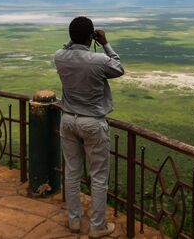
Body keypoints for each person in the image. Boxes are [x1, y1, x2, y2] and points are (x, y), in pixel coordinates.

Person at [54, 16, 124, 238]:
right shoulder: (99, 60)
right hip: (92, 122)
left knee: (72, 173)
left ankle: (74, 222)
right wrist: (104, 42)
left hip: (68, 120)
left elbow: (66, 48)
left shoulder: (59, 57)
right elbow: (119, 67)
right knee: (99, 176)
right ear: (90, 36)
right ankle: (97, 226)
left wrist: (73, 41)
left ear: (70, 36)